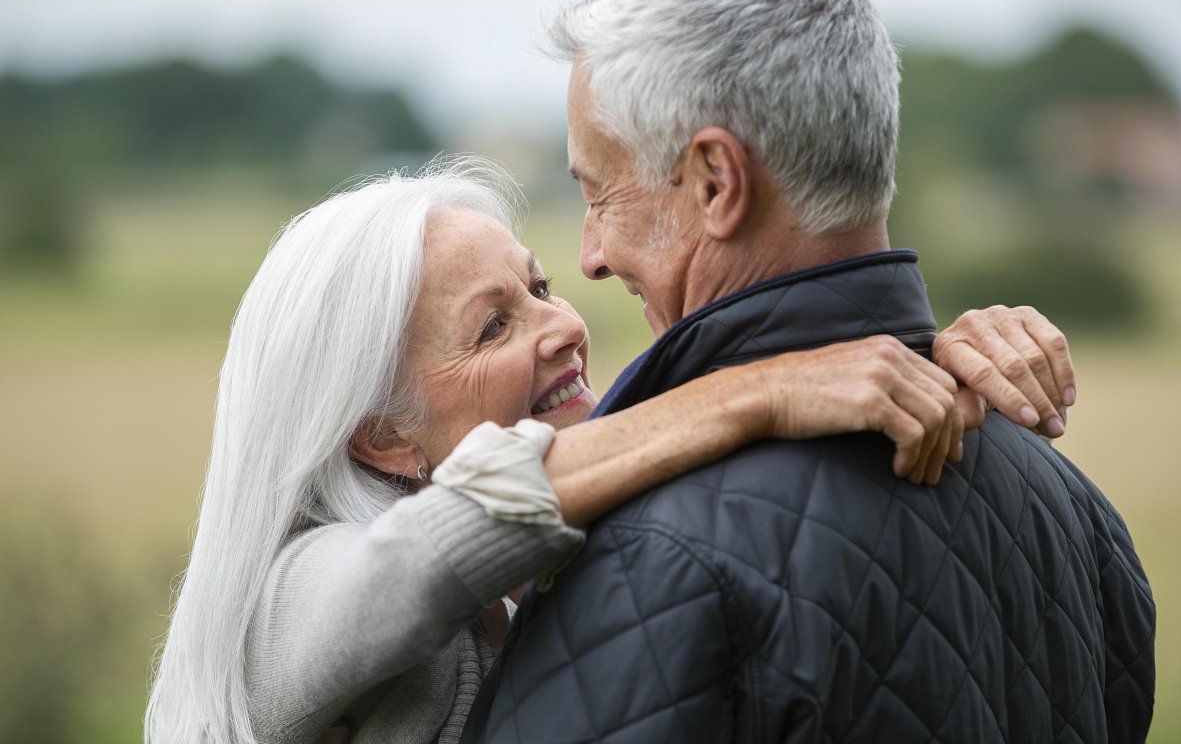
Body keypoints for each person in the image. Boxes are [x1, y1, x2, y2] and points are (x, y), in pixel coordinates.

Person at [144, 156, 1076, 744]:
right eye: (493, 326)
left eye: (540, 286)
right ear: (383, 438)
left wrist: (936, 359)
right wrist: (768, 390)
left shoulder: (577, 510)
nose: (563, 326)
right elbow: (436, 544)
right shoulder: (285, 605)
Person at [461, 0, 1156, 742]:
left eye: (601, 194)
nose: (592, 256)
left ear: (716, 182)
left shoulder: (647, 553)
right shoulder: (1079, 511)